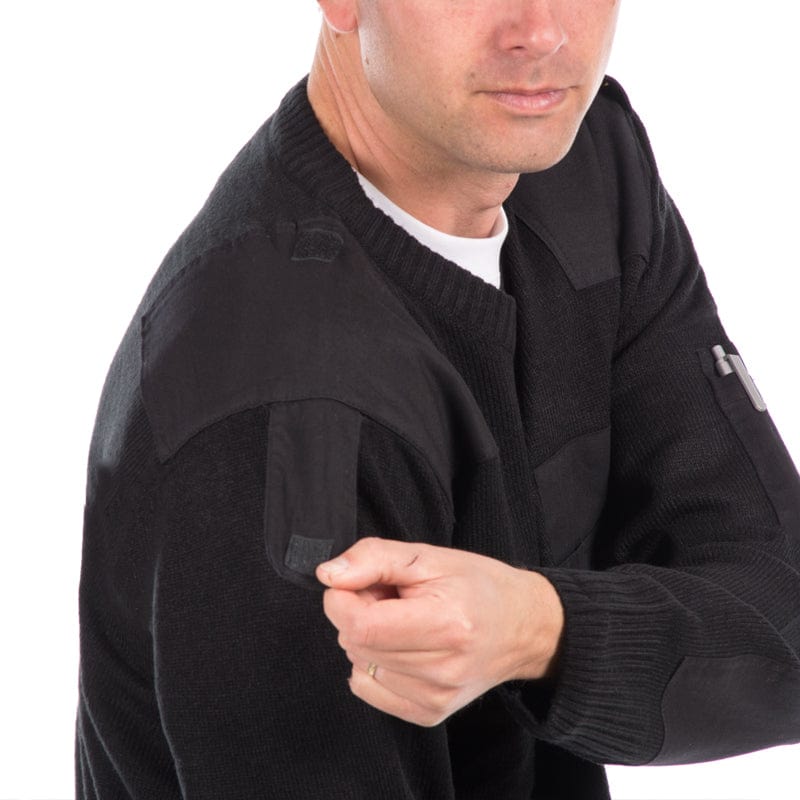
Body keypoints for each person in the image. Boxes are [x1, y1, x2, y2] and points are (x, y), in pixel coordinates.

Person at [75, 1, 800, 798]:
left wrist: (538, 629)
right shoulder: (274, 406)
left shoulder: (583, 167)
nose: (542, 33)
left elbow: (785, 612)